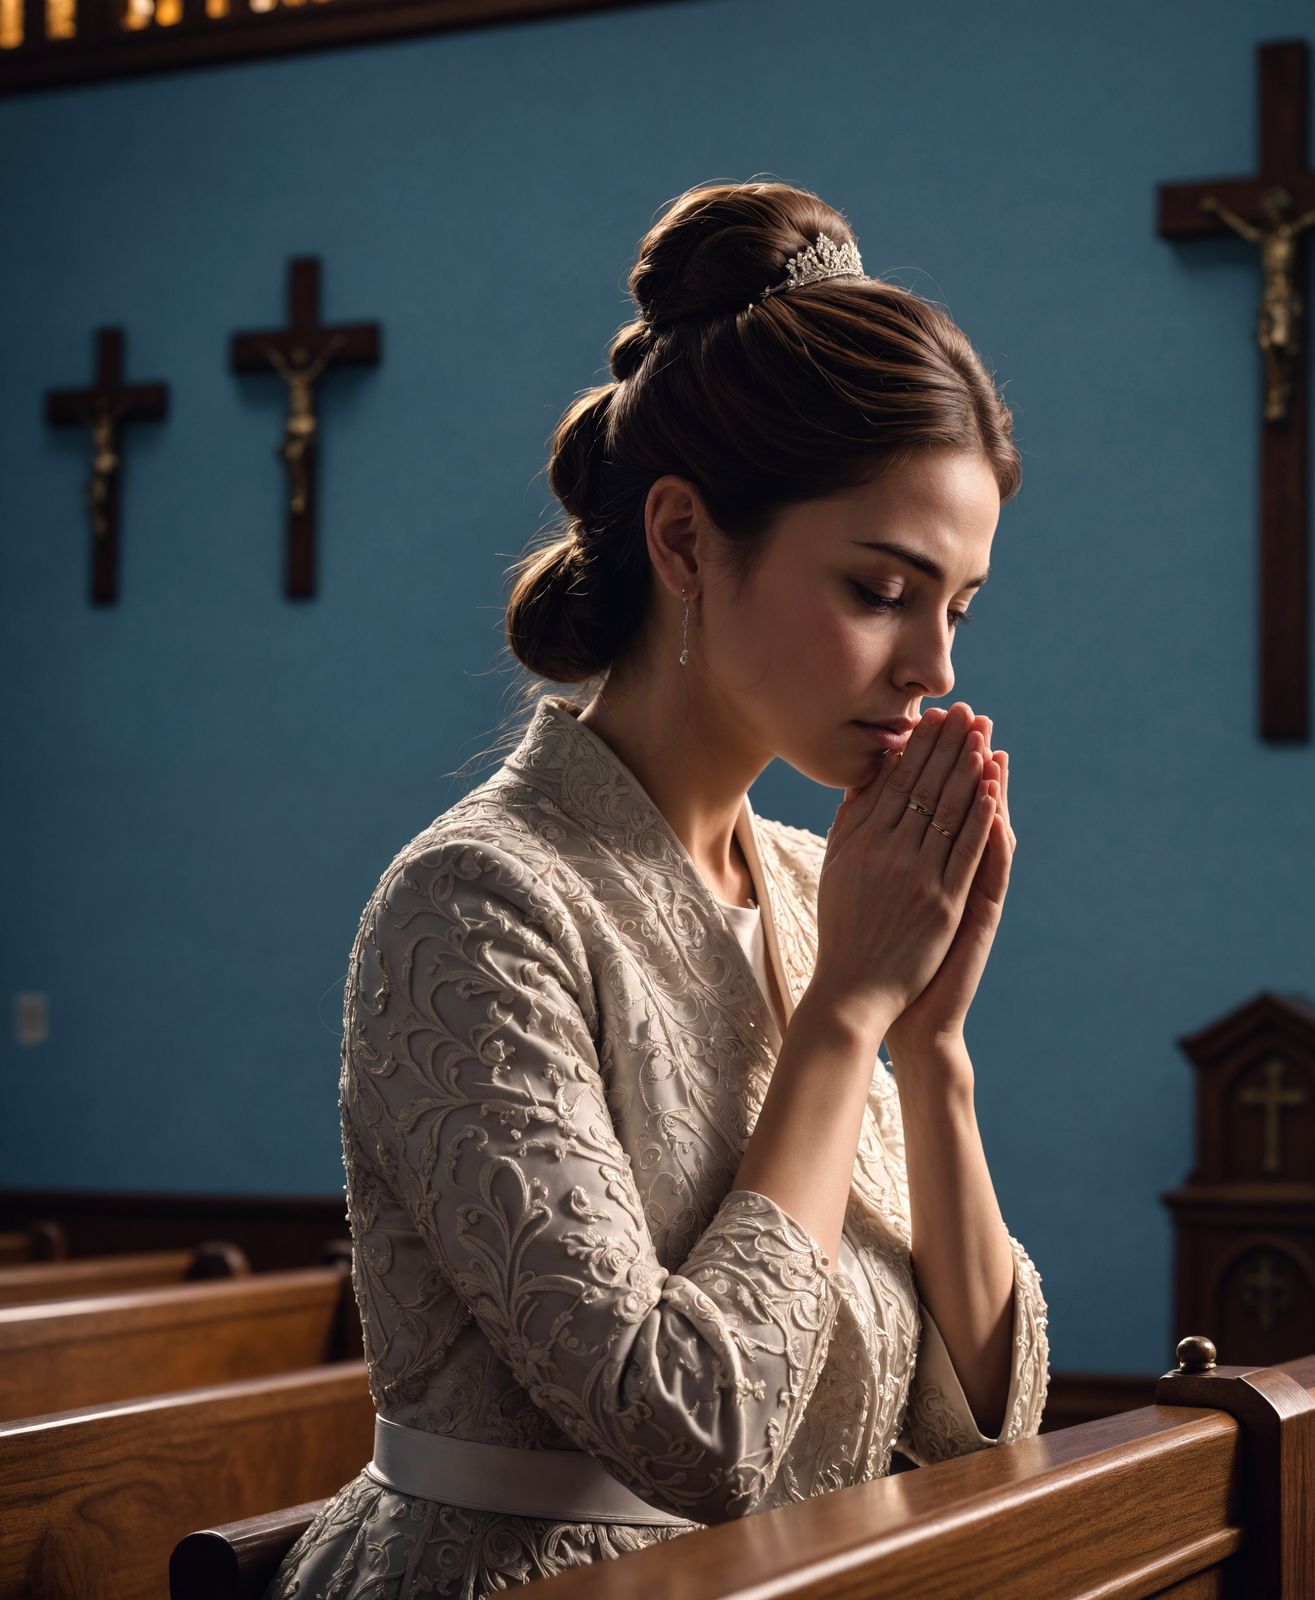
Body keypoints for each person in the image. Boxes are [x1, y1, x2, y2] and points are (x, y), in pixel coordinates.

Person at [265, 178, 1049, 1597]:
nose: (936, 668)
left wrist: (929, 1049)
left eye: (960, 608)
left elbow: (982, 1426)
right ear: (686, 542)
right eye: (881, 590)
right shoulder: (479, 902)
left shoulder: (826, 892)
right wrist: (843, 1018)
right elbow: (691, 1430)